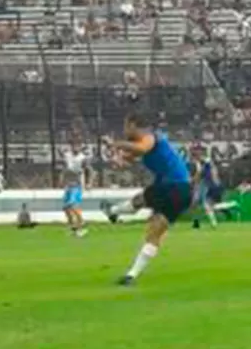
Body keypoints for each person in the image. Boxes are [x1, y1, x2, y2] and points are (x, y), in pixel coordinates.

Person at [105, 113, 193, 286]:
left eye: (126, 126)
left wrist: (117, 144)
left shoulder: (150, 138)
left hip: (171, 186)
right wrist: (119, 158)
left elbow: (143, 148)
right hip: (184, 192)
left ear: (133, 125)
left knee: (139, 202)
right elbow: (130, 158)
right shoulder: (150, 142)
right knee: (155, 233)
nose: (124, 130)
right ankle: (132, 275)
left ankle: (113, 211)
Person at [190, 147, 224, 230]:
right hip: (206, 185)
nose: (197, 156)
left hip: (210, 185)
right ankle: (197, 222)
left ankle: (231, 205)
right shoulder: (202, 164)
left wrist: (193, 181)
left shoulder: (206, 162)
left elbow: (201, 173)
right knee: (198, 204)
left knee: (206, 204)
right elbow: (199, 175)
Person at [61, 142, 90, 238]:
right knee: (66, 207)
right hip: (68, 185)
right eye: (74, 146)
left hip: (77, 185)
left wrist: (88, 183)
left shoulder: (82, 158)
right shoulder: (68, 155)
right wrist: (62, 178)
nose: (75, 148)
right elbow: (65, 167)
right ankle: (73, 227)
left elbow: (88, 170)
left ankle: (82, 224)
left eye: (77, 146)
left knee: (73, 205)